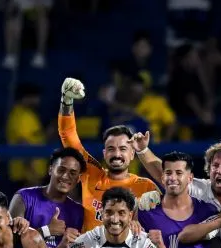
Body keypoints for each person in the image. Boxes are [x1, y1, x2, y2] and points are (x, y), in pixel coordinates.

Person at [56, 77, 159, 231]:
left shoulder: (146, 187)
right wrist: (66, 102)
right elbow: (67, 134)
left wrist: (158, 201)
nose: (117, 154)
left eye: (123, 149)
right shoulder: (91, 174)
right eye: (111, 149)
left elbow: (167, 217)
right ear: (104, 153)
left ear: (132, 154)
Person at [136, 152, 219, 248]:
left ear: (190, 178)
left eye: (179, 173)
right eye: (168, 173)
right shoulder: (146, 211)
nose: (172, 178)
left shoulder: (208, 212)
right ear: (162, 178)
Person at [10, 148, 86, 248]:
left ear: (78, 179)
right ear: (50, 170)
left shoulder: (79, 212)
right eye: (61, 170)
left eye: (72, 173)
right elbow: (9, 242)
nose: (65, 176)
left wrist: (71, 245)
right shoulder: (23, 197)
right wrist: (47, 230)